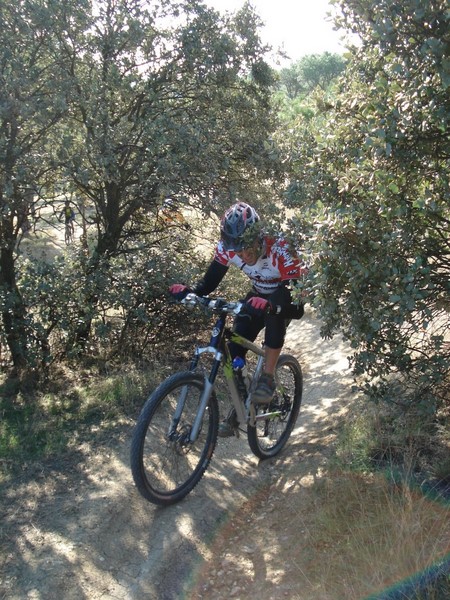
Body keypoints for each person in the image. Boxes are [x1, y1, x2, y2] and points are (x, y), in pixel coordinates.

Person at [169, 201, 307, 433]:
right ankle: (241, 406)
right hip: (257, 294)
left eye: (247, 247)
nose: (243, 254)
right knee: (235, 344)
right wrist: (190, 292)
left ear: (259, 237)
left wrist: (272, 306)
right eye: (237, 250)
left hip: (285, 296)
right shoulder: (228, 248)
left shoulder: (281, 248)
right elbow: (210, 282)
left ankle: (268, 378)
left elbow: (297, 305)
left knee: (273, 316)